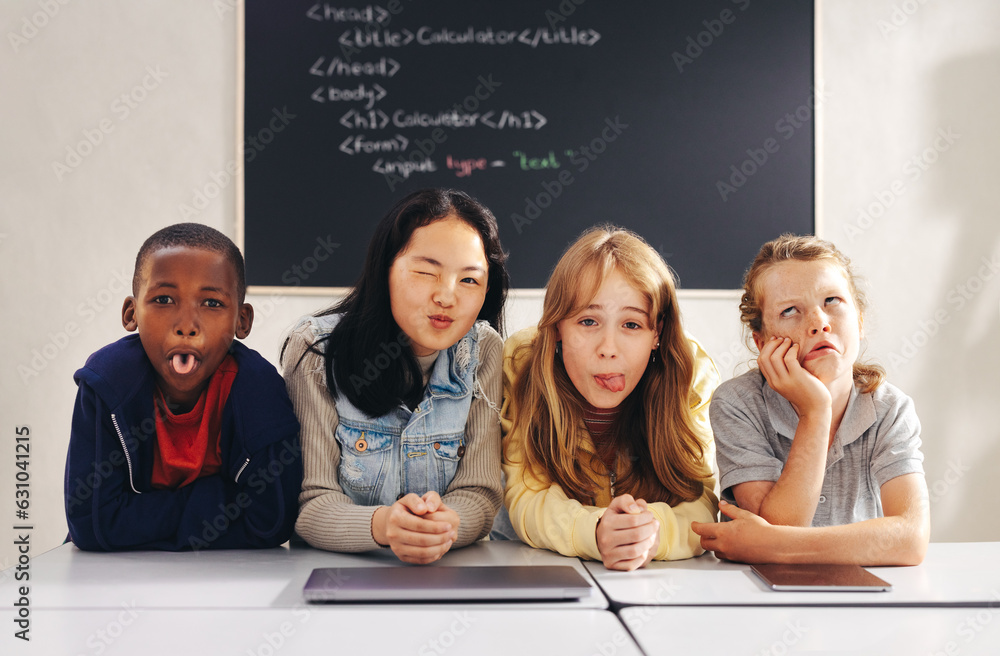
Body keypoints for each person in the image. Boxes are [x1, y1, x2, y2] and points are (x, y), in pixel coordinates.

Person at [282, 188, 508, 565]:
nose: (446, 296)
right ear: (385, 268)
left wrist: (445, 524)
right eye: (425, 272)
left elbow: (480, 494)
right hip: (334, 579)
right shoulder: (316, 350)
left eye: (469, 280)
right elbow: (310, 504)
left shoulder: (481, 350)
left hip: (442, 580)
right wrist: (385, 525)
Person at [691, 234, 930, 565]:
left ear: (859, 321)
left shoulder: (891, 409)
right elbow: (778, 530)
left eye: (832, 300)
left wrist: (775, 543)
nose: (819, 322)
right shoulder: (738, 403)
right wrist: (815, 413)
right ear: (762, 344)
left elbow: (910, 539)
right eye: (790, 310)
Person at [65, 223, 302, 551]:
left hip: (230, 580)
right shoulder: (106, 384)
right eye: (164, 299)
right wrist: (220, 503)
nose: (187, 326)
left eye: (212, 303)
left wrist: (136, 517)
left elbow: (272, 521)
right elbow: (92, 524)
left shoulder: (260, 392)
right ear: (132, 314)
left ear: (242, 321)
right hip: (115, 577)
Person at [502, 226, 720, 571]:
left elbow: (701, 505)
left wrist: (648, 533)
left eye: (631, 325)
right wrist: (597, 530)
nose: (608, 349)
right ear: (558, 326)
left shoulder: (689, 371)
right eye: (588, 321)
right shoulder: (522, 363)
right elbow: (527, 497)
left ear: (657, 333)